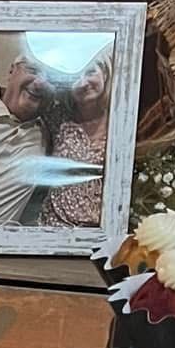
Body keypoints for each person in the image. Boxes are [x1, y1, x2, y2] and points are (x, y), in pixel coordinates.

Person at [0, 54, 51, 228]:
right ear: (11, 71)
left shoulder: (47, 129)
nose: (40, 83)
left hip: (5, 246)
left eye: (52, 78)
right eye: (33, 69)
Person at [42, 54, 112, 229]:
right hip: (53, 225)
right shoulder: (57, 116)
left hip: (101, 232)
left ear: (104, 72)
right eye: (73, 77)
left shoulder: (120, 120)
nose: (82, 83)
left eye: (89, 72)